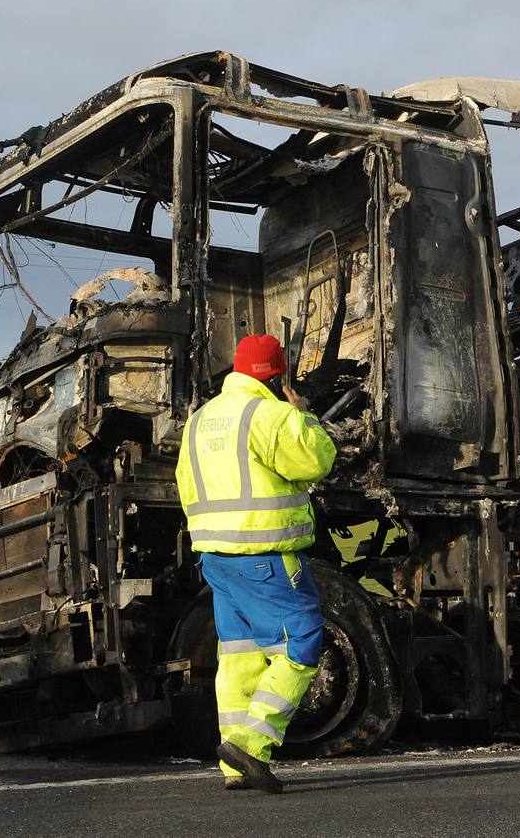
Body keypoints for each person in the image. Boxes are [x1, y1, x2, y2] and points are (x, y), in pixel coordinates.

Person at [175, 334, 336, 792]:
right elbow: (316, 460)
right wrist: (302, 413)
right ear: (275, 377)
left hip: (217, 558)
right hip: (265, 556)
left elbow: (185, 483)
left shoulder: (200, 421)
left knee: (240, 658)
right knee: (300, 645)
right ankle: (251, 744)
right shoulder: (270, 414)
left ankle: (233, 767)